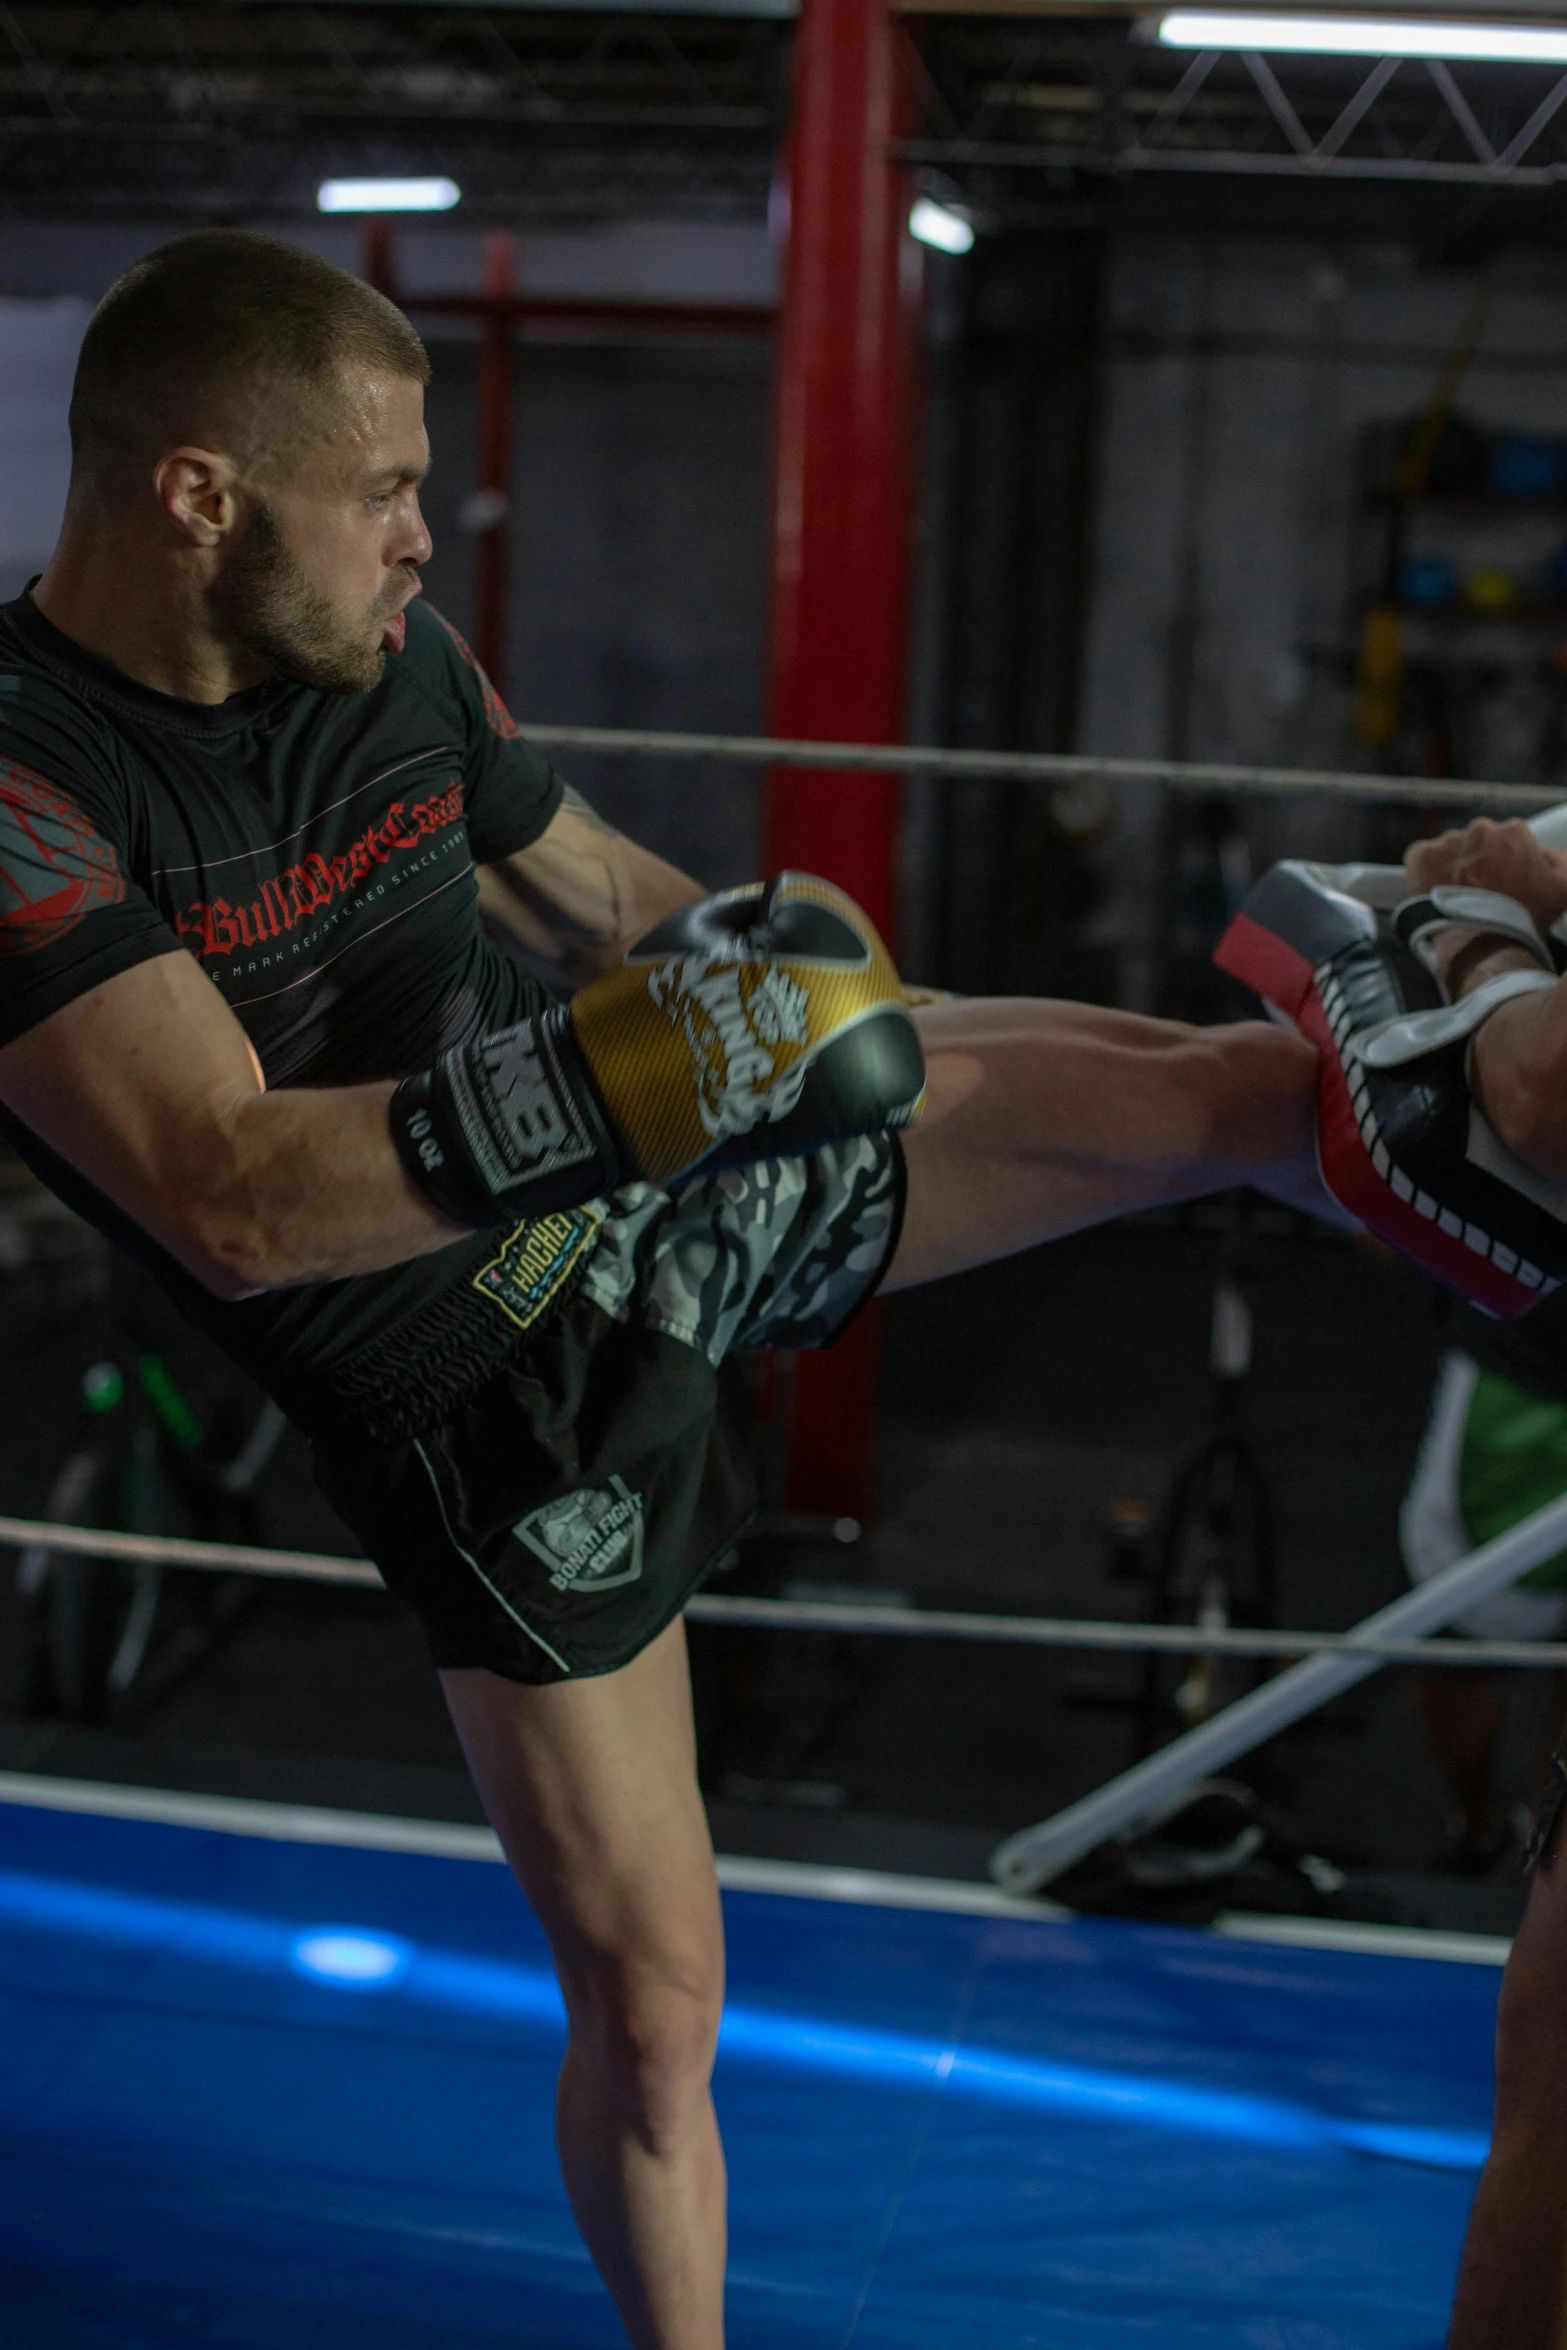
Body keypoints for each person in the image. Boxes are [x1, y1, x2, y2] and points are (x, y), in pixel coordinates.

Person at [0, 229, 1328, 2350]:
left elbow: (600, 896)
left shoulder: (389, 662)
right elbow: (229, 1189)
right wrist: (638, 1078)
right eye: (385, 492)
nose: (429, 535)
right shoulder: (28, 787)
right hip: (478, 1415)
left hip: (641, 1200)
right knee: (654, 2001)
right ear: (198, 496)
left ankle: (1459, 1071)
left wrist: (784, 971)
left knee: (1224, 1097)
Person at [1401, 1306, 1567, 1871]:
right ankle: (1520, 1852)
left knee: (1459, 1652)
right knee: (1462, 1642)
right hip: (1518, 1374)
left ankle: (1502, 1845)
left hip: (1516, 1369)